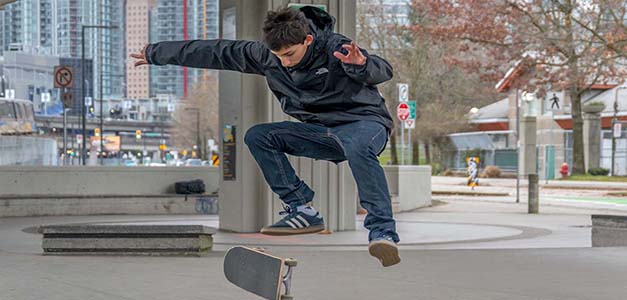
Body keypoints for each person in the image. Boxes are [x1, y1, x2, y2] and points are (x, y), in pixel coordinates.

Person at [130, 6, 400, 267]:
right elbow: (216, 52)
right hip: (322, 132)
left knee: (357, 145)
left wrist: (361, 64)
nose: (284, 61)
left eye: (290, 54)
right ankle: (302, 209)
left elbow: (383, 70)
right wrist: (156, 53)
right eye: (278, 55)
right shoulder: (265, 56)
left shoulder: (336, 48)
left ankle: (382, 232)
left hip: (365, 122)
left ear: (307, 40)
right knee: (259, 136)